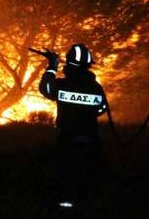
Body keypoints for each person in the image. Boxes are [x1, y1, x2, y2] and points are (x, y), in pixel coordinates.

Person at [37, 44, 107, 209]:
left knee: (66, 175)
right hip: (91, 140)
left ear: (69, 64)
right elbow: (102, 108)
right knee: (88, 176)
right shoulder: (95, 87)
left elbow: (46, 88)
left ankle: (66, 209)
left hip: (67, 139)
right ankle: (89, 207)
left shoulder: (63, 85)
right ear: (88, 65)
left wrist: (52, 66)